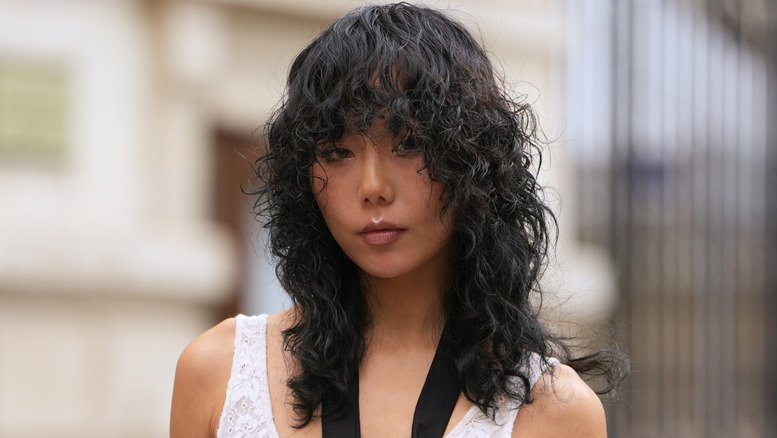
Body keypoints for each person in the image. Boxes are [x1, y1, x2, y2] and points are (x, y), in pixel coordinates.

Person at [170, 3, 624, 438]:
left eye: (408, 144)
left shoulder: (554, 411)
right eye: (337, 152)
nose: (372, 186)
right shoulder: (220, 371)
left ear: (474, 161)